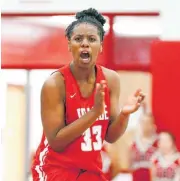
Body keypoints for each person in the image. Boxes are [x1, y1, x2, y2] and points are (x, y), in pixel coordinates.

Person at [31, 8, 145, 181]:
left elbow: (111, 136)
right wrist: (94, 113)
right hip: (54, 167)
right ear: (69, 44)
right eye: (78, 39)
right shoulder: (55, 84)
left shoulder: (111, 79)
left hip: (89, 170)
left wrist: (124, 114)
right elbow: (56, 142)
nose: (85, 44)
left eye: (92, 39)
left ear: (100, 46)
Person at [129, 112, 158, 181]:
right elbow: (130, 163)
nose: (145, 125)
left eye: (148, 122)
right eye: (143, 122)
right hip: (137, 177)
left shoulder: (157, 142)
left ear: (152, 124)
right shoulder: (134, 143)